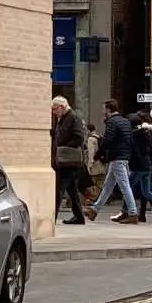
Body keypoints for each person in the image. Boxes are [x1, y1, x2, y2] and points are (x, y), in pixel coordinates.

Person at [91, 100, 139, 224]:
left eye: (103, 109)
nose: (103, 112)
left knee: (124, 186)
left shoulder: (112, 122)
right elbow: (130, 140)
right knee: (108, 186)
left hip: (117, 157)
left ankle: (133, 213)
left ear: (108, 109)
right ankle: (95, 209)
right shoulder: (125, 121)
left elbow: (108, 140)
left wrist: (98, 155)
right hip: (123, 157)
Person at [50, 97, 89, 226]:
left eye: (55, 109)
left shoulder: (73, 118)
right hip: (65, 161)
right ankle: (79, 217)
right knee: (72, 190)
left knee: (58, 190)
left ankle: (51, 218)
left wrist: (63, 148)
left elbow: (79, 137)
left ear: (61, 107)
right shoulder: (63, 118)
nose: (53, 112)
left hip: (68, 162)